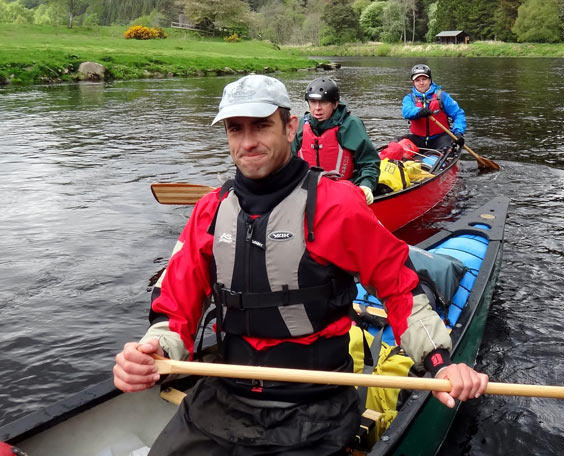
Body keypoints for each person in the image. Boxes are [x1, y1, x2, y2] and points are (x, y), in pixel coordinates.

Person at [113, 74, 488, 456]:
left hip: (316, 403)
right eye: (235, 129)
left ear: (290, 127)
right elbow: (176, 305)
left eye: (261, 126)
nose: (247, 142)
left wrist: (441, 363)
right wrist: (156, 350)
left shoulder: (336, 205)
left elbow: (398, 286)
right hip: (226, 393)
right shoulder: (210, 210)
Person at [292, 77, 380, 205]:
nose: (317, 108)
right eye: (313, 102)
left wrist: (366, 185)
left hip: (343, 195)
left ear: (335, 104)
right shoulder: (300, 125)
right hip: (307, 193)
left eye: (323, 102)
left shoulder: (350, 125)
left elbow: (369, 162)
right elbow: (287, 163)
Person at [401, 63, 467, 151]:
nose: (421, 83)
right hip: (418, 139)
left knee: (446, 147)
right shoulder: (409, 98)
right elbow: (406, 111)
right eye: (417, 80)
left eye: (424, 79)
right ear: (413, 82)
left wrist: (458, 132)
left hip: (440, 139)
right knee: (396, 145)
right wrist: (419, 111)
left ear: (430, 80)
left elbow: (458, 114)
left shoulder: (442, 97)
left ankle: (437, 161)